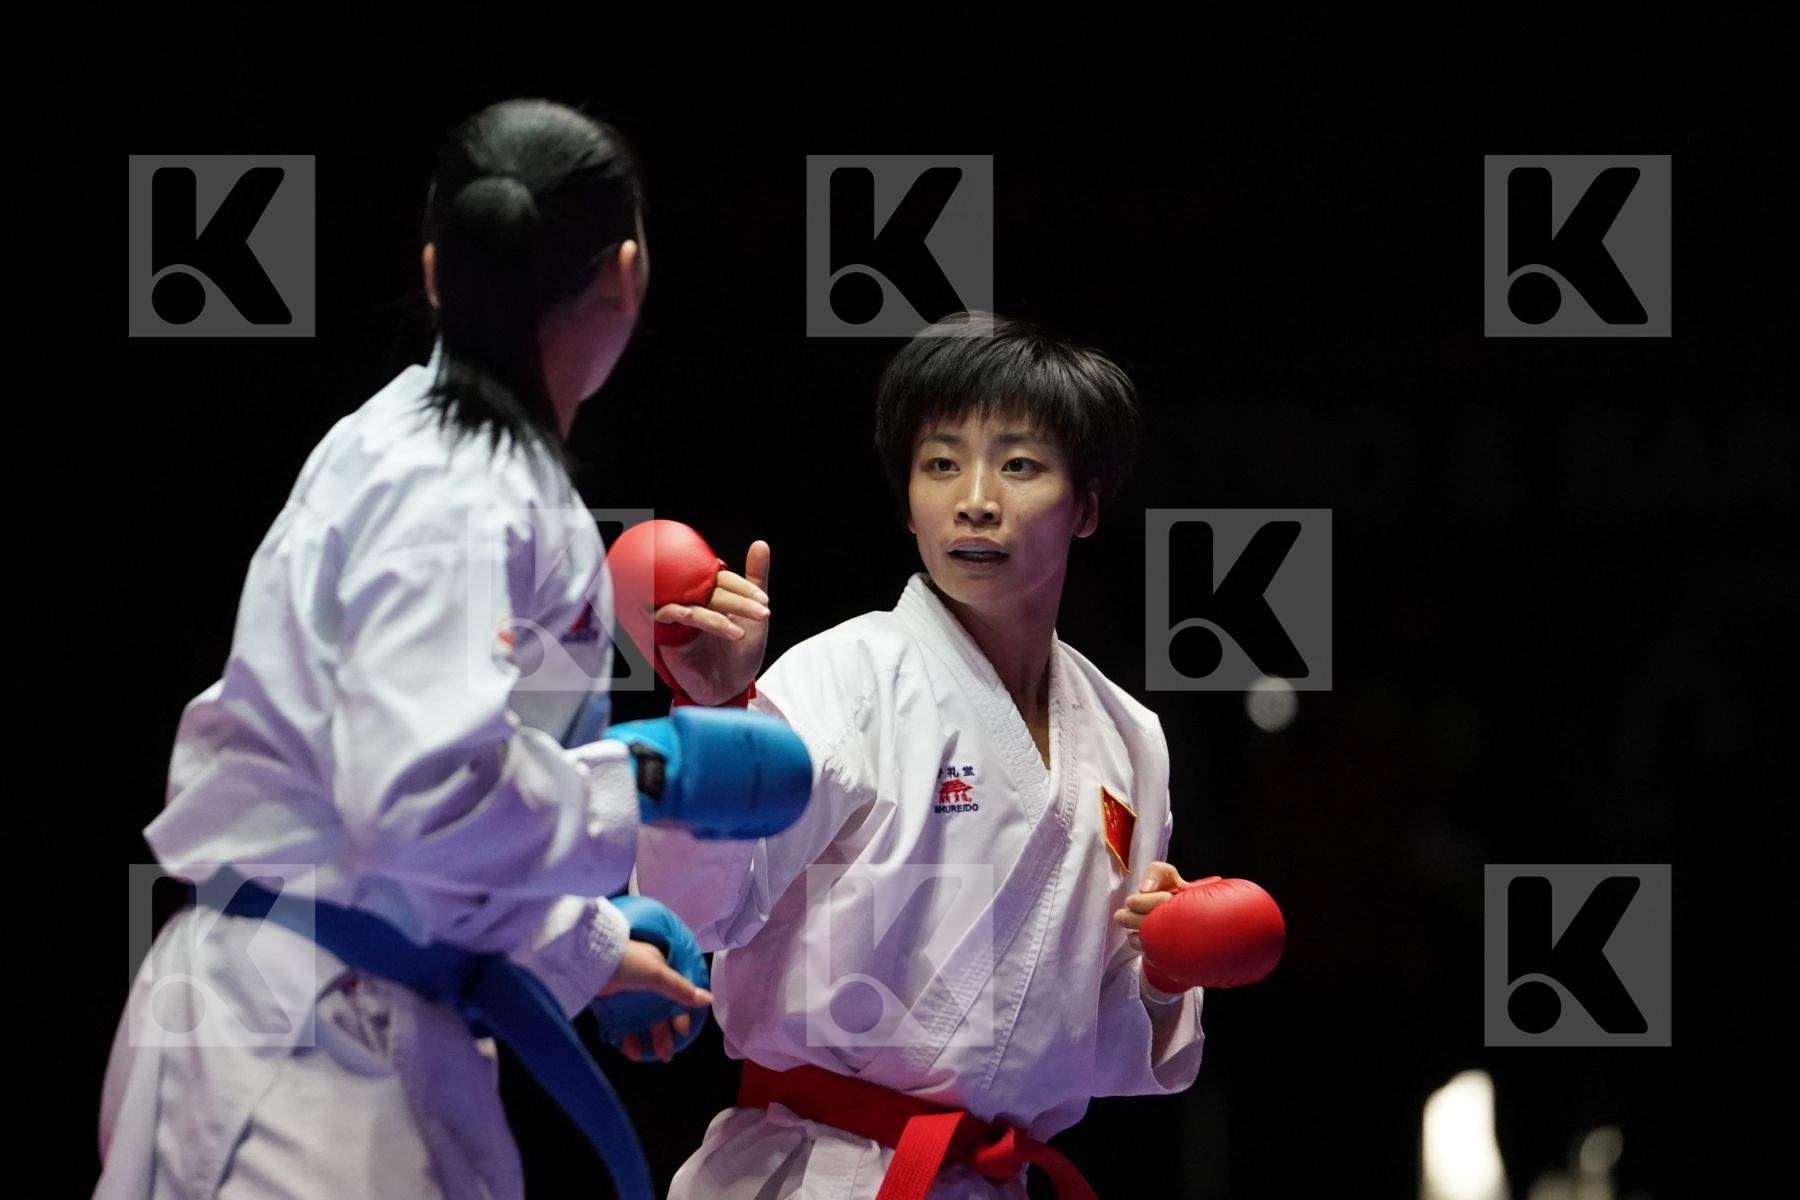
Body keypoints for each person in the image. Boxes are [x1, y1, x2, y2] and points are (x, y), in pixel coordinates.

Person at [94, 98, 791, 1200]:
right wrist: (654, 773)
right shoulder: (455, 491)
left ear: (434, 270)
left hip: (362, 1015)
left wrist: (588, 943)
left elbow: (452, 814)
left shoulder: (500, 483)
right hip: (300, 1034)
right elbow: (419, 798)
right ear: (626, 274)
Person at [633, 312, 1208, 1198]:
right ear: (907, 501)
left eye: (1019, 465)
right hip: (814, 1173)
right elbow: (695, 918)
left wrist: (1164, 970)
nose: (975, 498)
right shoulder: (843, 677)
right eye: (941, 464)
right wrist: (714, 716)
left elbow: (1098, 1043)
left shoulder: (1129, 736)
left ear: (1088, 503)